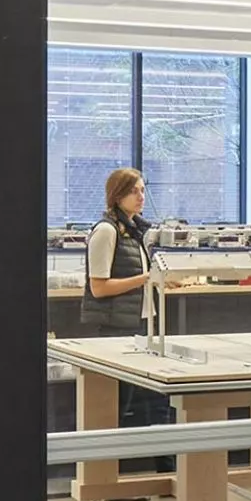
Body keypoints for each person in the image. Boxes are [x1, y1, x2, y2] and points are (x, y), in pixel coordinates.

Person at [81, 167, 174, 467]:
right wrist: (146, 278)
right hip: (115, 329)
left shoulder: (134, 232)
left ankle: (164, 469)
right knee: (117, 405)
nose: (141, 196)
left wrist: (160, 280)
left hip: (141, 325)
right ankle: (110, 476)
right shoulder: (106, 231)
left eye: (143, 190)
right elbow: (99, 287)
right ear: (117, 194)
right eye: (134, 191)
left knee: (156, 400)